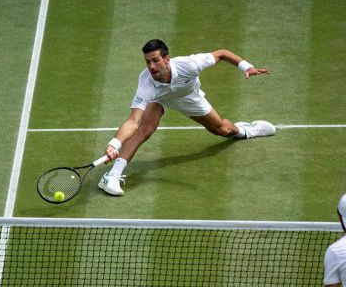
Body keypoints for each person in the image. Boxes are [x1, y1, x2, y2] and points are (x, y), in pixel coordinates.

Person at [98, 39, 276, 196]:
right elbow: (133, 121)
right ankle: (112, 176)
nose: (151, 67)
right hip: (160, 99)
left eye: (155, 60)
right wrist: (115, 143)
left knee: (221, 129)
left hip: (188, 97)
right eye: (147, 62)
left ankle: (244, 130)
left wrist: (247, 67)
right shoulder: (146, 82)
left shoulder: (189, 64)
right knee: (144, 129)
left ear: (167, 59)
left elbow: (222, 54)